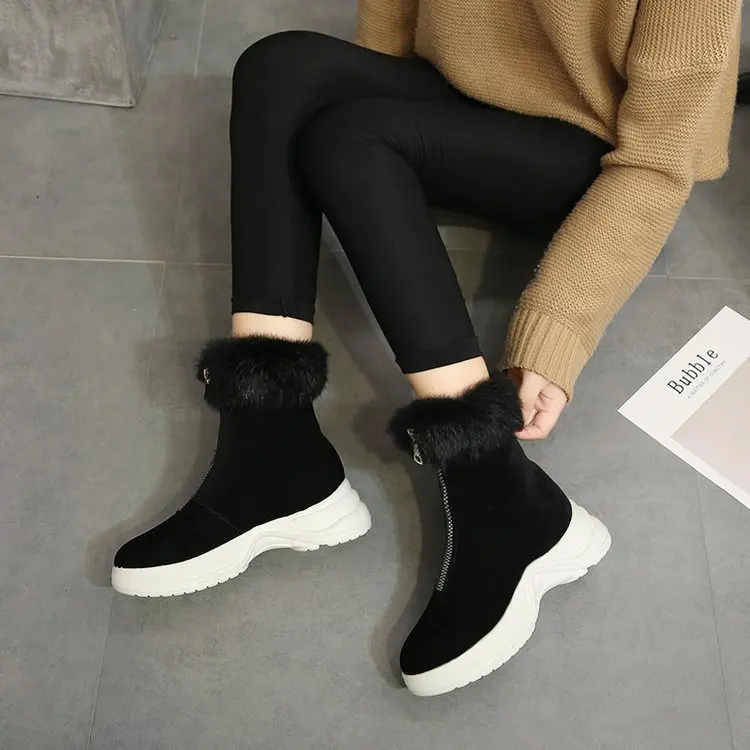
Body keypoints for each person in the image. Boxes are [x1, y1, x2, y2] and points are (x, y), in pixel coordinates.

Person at [110, 0, 742, 696]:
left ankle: (502, 492)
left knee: (349, 140)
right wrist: (384, 160)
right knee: (279, 67)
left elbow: (656, 163)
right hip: (464, 92)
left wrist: (555, 331)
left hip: (594, 152)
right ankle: (271, 442)